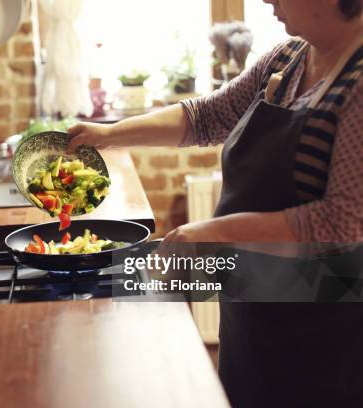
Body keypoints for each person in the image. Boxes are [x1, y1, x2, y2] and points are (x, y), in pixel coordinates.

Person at [67, 0, 363, 406]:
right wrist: (107, 134)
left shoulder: (359, 84)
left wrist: (211, 233)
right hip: (250, 294)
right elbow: (206, 117)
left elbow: (340, 223)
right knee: (116, 282)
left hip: (322, 325)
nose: (266, 0)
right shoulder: (288, 58)